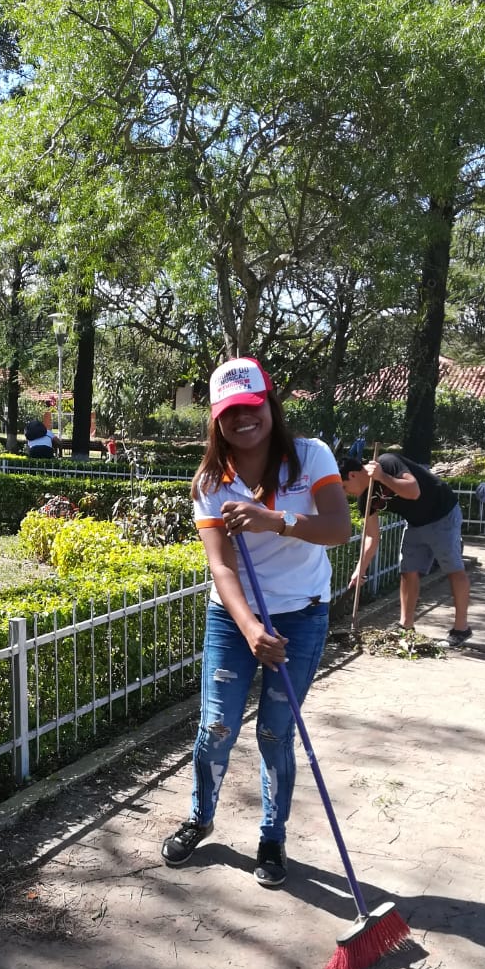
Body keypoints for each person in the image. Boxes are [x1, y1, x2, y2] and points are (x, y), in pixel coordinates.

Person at [160, 357, 351, 886]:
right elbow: (220, 566)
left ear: (270, 404)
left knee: (274, 732)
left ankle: (272, 837)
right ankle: (200, 817)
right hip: (234, 619)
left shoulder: (310, 458)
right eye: (230, 412)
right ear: (217, 420)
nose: (244, 419)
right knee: (216, 727)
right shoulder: (210, 483)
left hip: (302, 616)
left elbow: (339, 529)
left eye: (252, 406)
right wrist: (248, 628)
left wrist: (278, 521)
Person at [339, 451, 472, 645]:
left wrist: (382, 477)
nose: (345, 493)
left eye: (344, 486)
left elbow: (413, 491)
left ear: (352, 475)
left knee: (453, 569)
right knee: (408, 570)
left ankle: (461, 629)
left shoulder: (387, 463)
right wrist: (360, 569)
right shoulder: (365, 500)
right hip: (416, 523)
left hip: (442, 513)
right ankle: (406, 626)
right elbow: (371, 536)